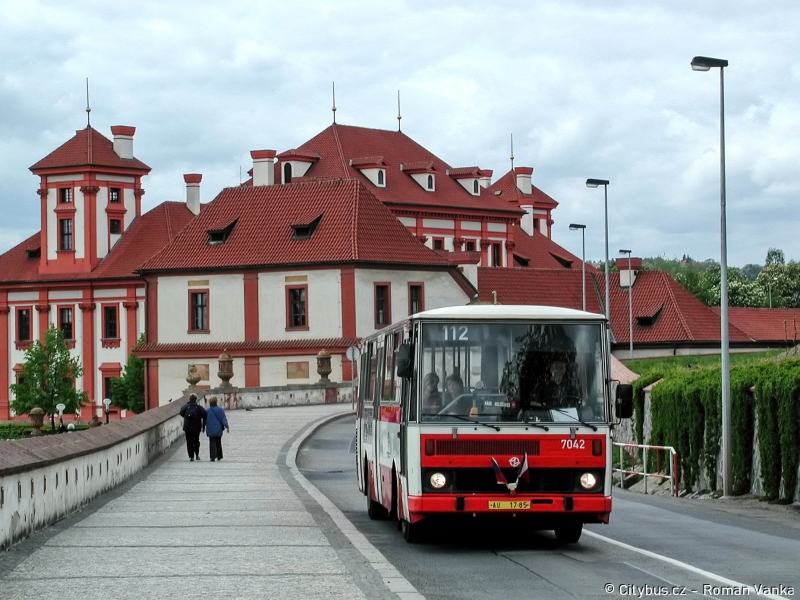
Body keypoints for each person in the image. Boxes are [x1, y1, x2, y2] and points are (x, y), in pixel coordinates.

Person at [179, 393, 207, 461]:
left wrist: (187, 418)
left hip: (187, 427)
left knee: (189, 441)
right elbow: (205, 415)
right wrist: (203, 427)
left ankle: (191, 456)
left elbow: (181, 413)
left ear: (189, 399)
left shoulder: (185, 407)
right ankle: (197, 455)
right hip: (197, 427)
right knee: (196, 440)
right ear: (196, 399)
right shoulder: (199, 407)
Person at [205, 396, 229, 462]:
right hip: (218, 428)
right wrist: (227, 426)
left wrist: (202, 427)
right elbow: (223, 419)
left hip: (210, 428)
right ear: (216, 402)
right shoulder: (220, 410)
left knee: (212, 442)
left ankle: (212, 457)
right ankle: (219, 456)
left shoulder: (207, 410)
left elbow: (204, 420)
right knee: (218, 442)